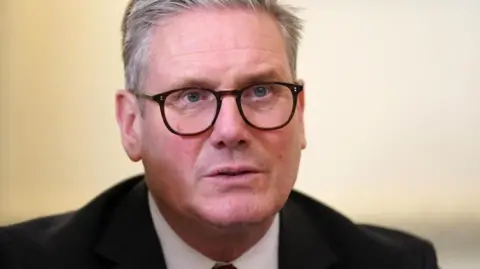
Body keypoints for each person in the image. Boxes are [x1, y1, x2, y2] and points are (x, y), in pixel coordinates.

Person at [0, 0, 439, 268]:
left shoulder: (394, 263)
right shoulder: (24, 262)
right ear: (131, 125)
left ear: (300, 113)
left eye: (261, 91)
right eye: (191, 97)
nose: (232, 130)